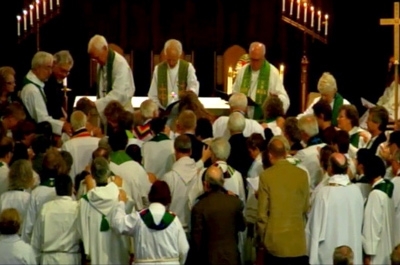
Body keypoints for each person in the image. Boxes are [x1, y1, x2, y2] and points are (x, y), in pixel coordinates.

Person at [111, 180, 189, 264]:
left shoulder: (139, 217)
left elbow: (117, 224)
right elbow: (184, 249)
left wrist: (121, 203)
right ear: (168, 198)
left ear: (150, 196)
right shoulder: (173, 220)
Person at [257, 138, 309, 265]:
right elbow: (305, 207)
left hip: (275, 243)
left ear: (270, 155)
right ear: (286, 153)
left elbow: (262, 215)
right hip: (297, 243)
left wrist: (265, 238)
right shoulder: (302, 174)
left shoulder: (266, 176)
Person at [306, 153, 364, 265]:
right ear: (347, 169)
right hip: (352, 246)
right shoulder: (356, 191)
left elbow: (315, 227)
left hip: (329, 249)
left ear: (330, 169)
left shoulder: (323, 193)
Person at [77, 157, 130, 264]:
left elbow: (81, 230)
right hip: (118, 252)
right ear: (108, 173)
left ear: (92, 175)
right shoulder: (121, 195)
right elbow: (129, 222)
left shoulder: (85, 201)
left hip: (97, 253)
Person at [190, 165, 246, 265]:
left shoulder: (199, 207)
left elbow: (196, 241)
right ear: (223, 182)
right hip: (231, 257)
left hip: (209, 259)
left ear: (206, 184)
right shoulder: (235, 203)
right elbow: (242, 226)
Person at [31, 174, 81, 265]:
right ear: (71, 188)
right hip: (70, 259)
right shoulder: (77, 208)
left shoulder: (46, 208)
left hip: (48, 259)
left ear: (55, 189)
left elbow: (36, 240)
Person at [20, 51, 72, 136]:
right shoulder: (32, 90)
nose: (50, 72)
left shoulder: (37, 86)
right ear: (37, 67)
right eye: (47, 68)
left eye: (51, 68)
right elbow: (42, 120)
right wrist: (62, 125)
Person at [233, 42, 290, 119]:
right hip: (243, 118)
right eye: (252, 59)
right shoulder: (243, 70)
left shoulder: (272, 72)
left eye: (257, 60)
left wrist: (275, 99)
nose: (254, 63)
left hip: (263, 120)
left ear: (263, 57)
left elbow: (284, 98)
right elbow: (235, 92)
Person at [87, 34, 135, 116]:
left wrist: (97, 104)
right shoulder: (101, 64)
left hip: (121, 111)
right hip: (107, 112)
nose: (96, 61)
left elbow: (118, 94)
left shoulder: (120, 64)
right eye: (94, 59)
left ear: (105, 48)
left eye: (97, 57)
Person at [148, 39, 199, 110]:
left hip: (182, 109)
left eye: (174, 60)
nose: (171, 63)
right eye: (169, 59)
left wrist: (188, 97)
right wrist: (160, 108)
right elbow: (152, 95)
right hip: (163, 110)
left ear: (179, 55)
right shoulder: (158, 69)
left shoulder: (187, 68)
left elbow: (193, 86)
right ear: (166, 55)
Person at [362, 155, 395, 265]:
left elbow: (372, 227)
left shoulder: (375, 194)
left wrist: (368, 254)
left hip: (377, 253)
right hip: (387, 244)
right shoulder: (387, 187)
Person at [44, 50, 74, 120]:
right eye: (62, 70)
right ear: (54, 64)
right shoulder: (47, 81)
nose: (64, 75)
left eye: (67, 72)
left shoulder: (55, 83)